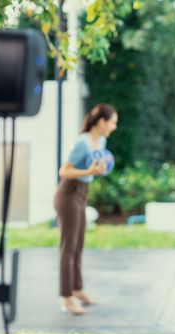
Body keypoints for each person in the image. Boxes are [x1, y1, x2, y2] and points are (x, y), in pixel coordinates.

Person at [54, 103, 118, 315]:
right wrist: (89, 171)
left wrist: (96, 170)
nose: (114, 127)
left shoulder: (101, 140)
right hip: (68, 193)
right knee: (68, 248)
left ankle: (78, 289)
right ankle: (66, 297)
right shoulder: (82, 142)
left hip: (82, 192)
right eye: (112, 122)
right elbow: (64, 171)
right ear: (101, 122)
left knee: (79, 244)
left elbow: (96, 165)